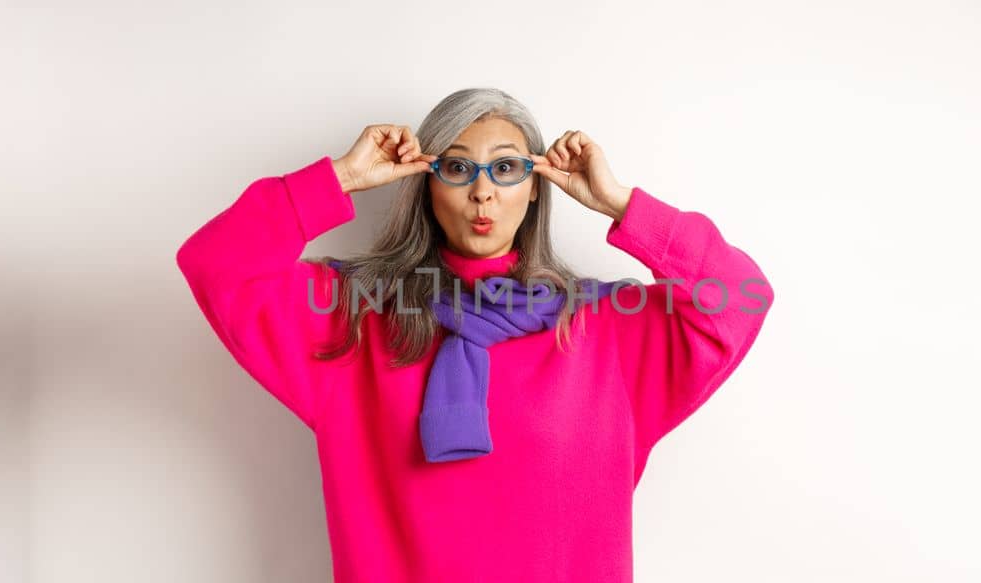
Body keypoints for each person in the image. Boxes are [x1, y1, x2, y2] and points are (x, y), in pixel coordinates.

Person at [175, 87, 774, 582]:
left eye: (507, 168)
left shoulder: (604, 326)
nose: (483, 191)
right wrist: (340, 178)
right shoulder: (355, 318)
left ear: (536, 186)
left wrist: (620, 204)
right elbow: (216, 262)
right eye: (457, 167)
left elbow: (740, 295)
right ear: (426, 183)